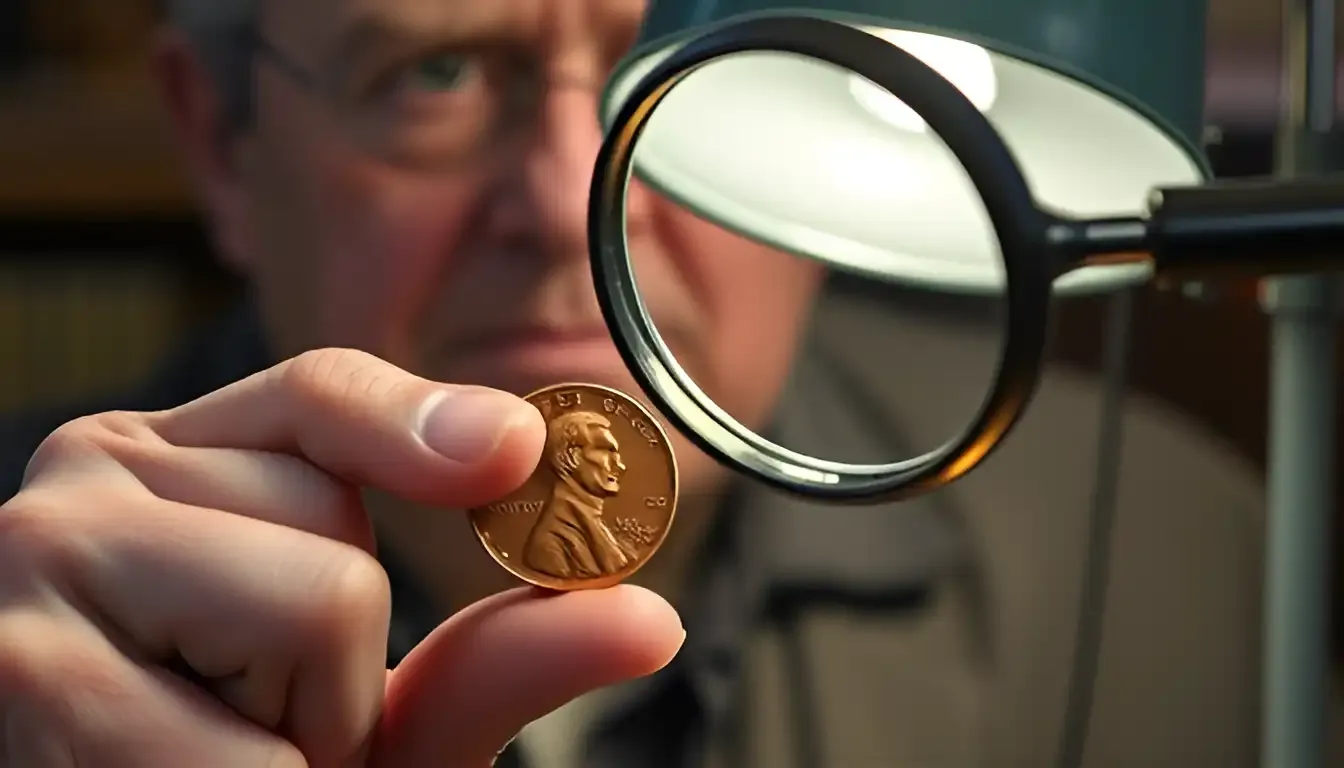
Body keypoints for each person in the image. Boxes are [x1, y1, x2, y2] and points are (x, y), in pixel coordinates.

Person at [0, 0, 1290, 766]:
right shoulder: (25, 656)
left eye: (694, 64)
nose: (574, 205)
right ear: (218, 147)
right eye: (435, 73)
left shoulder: (1177, 564)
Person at [524, 410, 632, 581]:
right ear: (571, 457)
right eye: (606, 451)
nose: (620, 466)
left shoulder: (606, 533)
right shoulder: (550, 547)